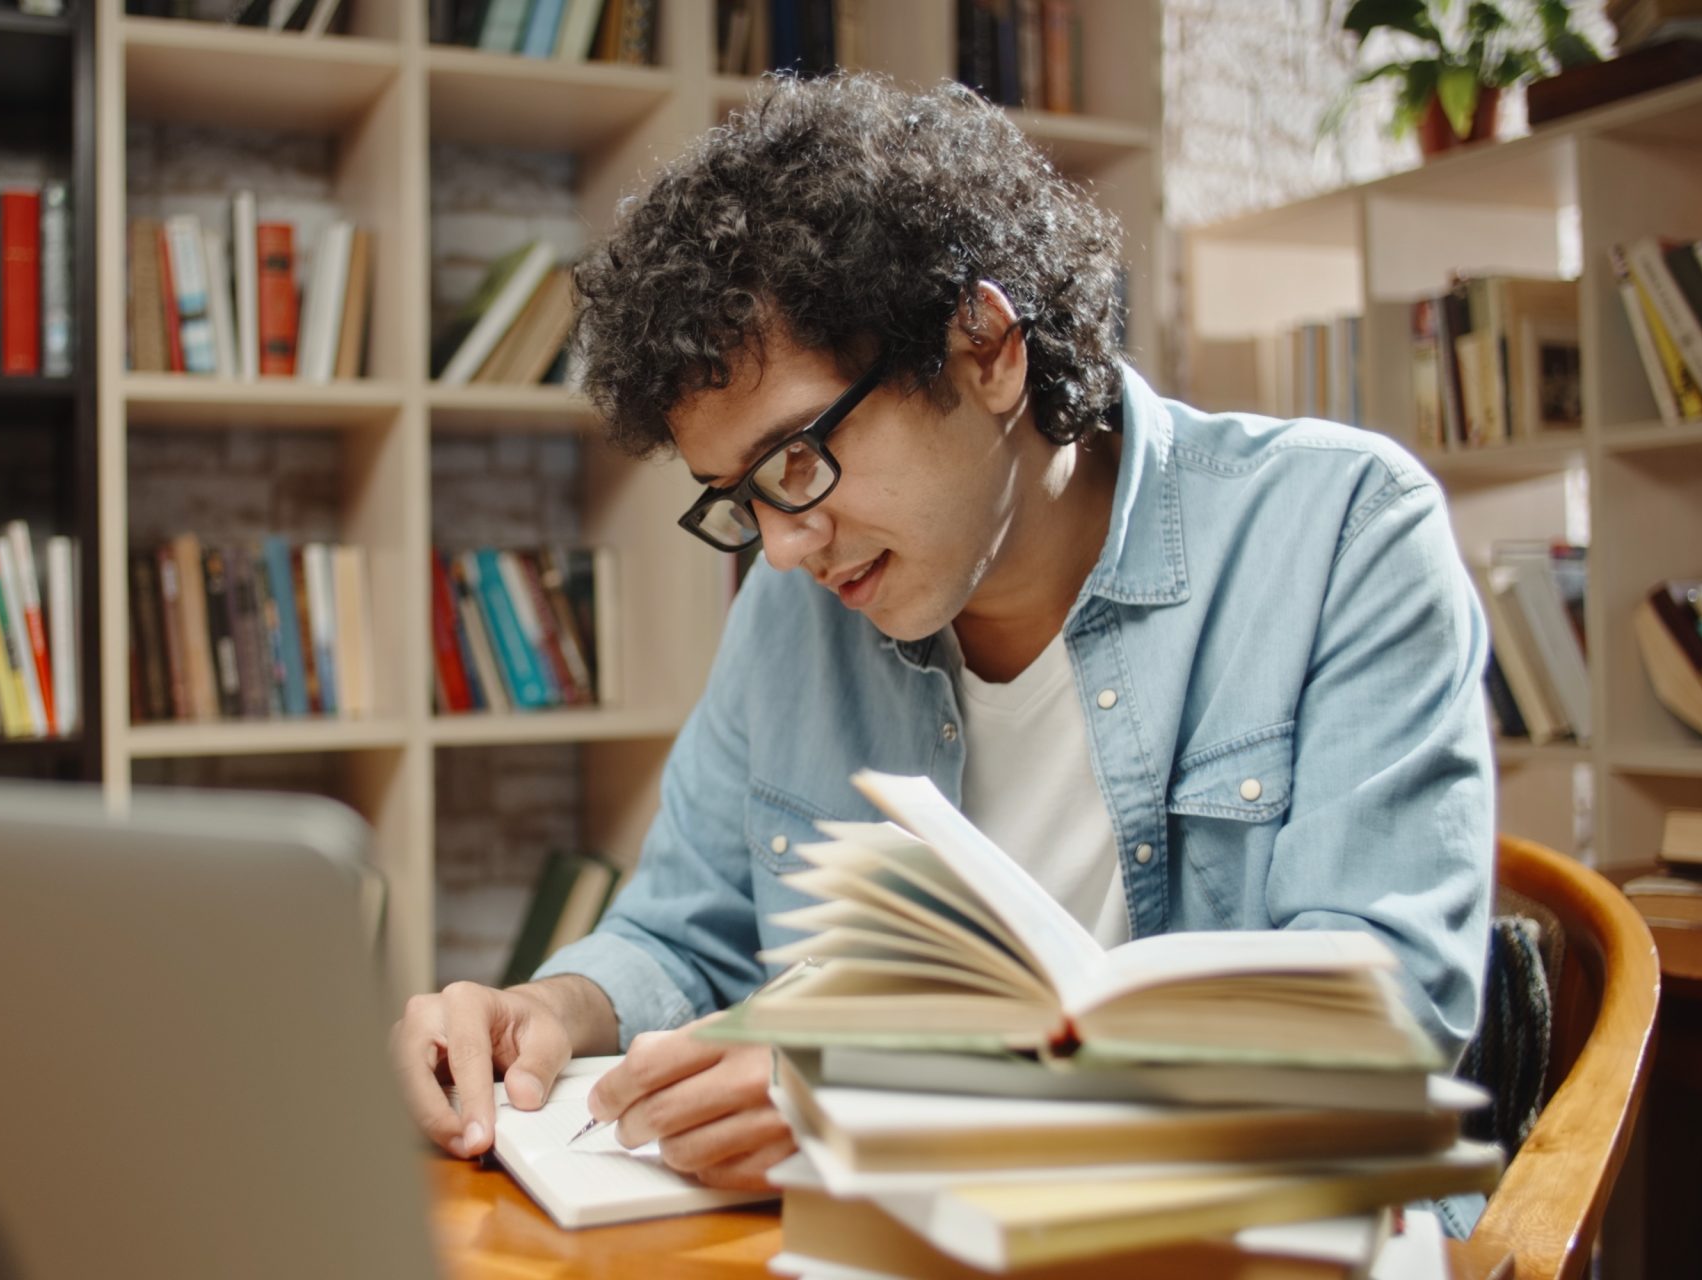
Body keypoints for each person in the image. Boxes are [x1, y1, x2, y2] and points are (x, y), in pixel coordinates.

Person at [391, 72, 1493, 1211]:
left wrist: (894, 1090)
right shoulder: (795, 607)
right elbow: (688, 927)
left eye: (798, 460)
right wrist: (550, 1007)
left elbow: (1380, 1020)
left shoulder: (1339, 532)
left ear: (984, 347)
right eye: (741, 497)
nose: (780, 546)